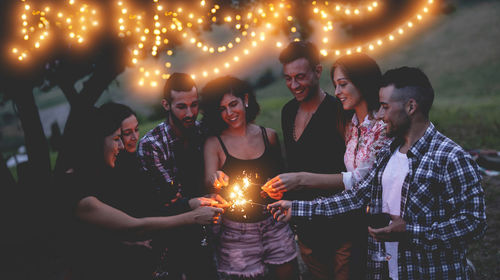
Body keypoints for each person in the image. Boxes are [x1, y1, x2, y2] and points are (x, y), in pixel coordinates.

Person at [269, 67, 487, 279]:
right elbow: (356, 197)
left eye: (385, 106)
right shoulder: (387, 153)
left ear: (411, 106)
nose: (380, 115)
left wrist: (411, 232)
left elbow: (474, 223)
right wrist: (296, 208)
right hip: (385, 271)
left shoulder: (450, 157)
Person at [57, 106, 224, 280]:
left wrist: (192, 203)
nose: (122, 144)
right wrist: (193, 217)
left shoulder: (102, 173)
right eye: (117, 138)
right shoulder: (74, 187)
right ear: (95, 141)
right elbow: (133, 224)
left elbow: (148, 210)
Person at [263, 53, 390, 279]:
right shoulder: (350, 124)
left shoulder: (382, 126)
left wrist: (301, 179)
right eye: (336, 85)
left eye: (343, 84)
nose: (338, 91)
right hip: (325, 216)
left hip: (363, 223)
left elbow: (360, 182)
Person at [202, 76, 298, 279]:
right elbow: (209, 182)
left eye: (233, 104)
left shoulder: (268, 136)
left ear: (245, 99)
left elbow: (281, 178)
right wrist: (215, 178)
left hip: (275, 225)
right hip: (236, 234)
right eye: (221, 109)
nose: (229, 113)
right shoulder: (214, 143)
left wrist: (279, 189)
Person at [272, 41, 350, 279]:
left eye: (300, 77)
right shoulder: (288, 112)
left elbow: (353, 176)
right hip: (305, 225)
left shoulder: (340, 111)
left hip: (341, 225)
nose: (294, 85)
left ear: (317, 71)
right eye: (288, 78)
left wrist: (300, 180)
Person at [138, 72, 227, 279]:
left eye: (194, 105)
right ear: (166, 105)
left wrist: (219, 179)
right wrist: (199, 201)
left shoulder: (203, 132)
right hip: (170, 232)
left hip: (206, 226)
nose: (190, 113)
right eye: (181, 107)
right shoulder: (152, 144)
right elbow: (164, 200)